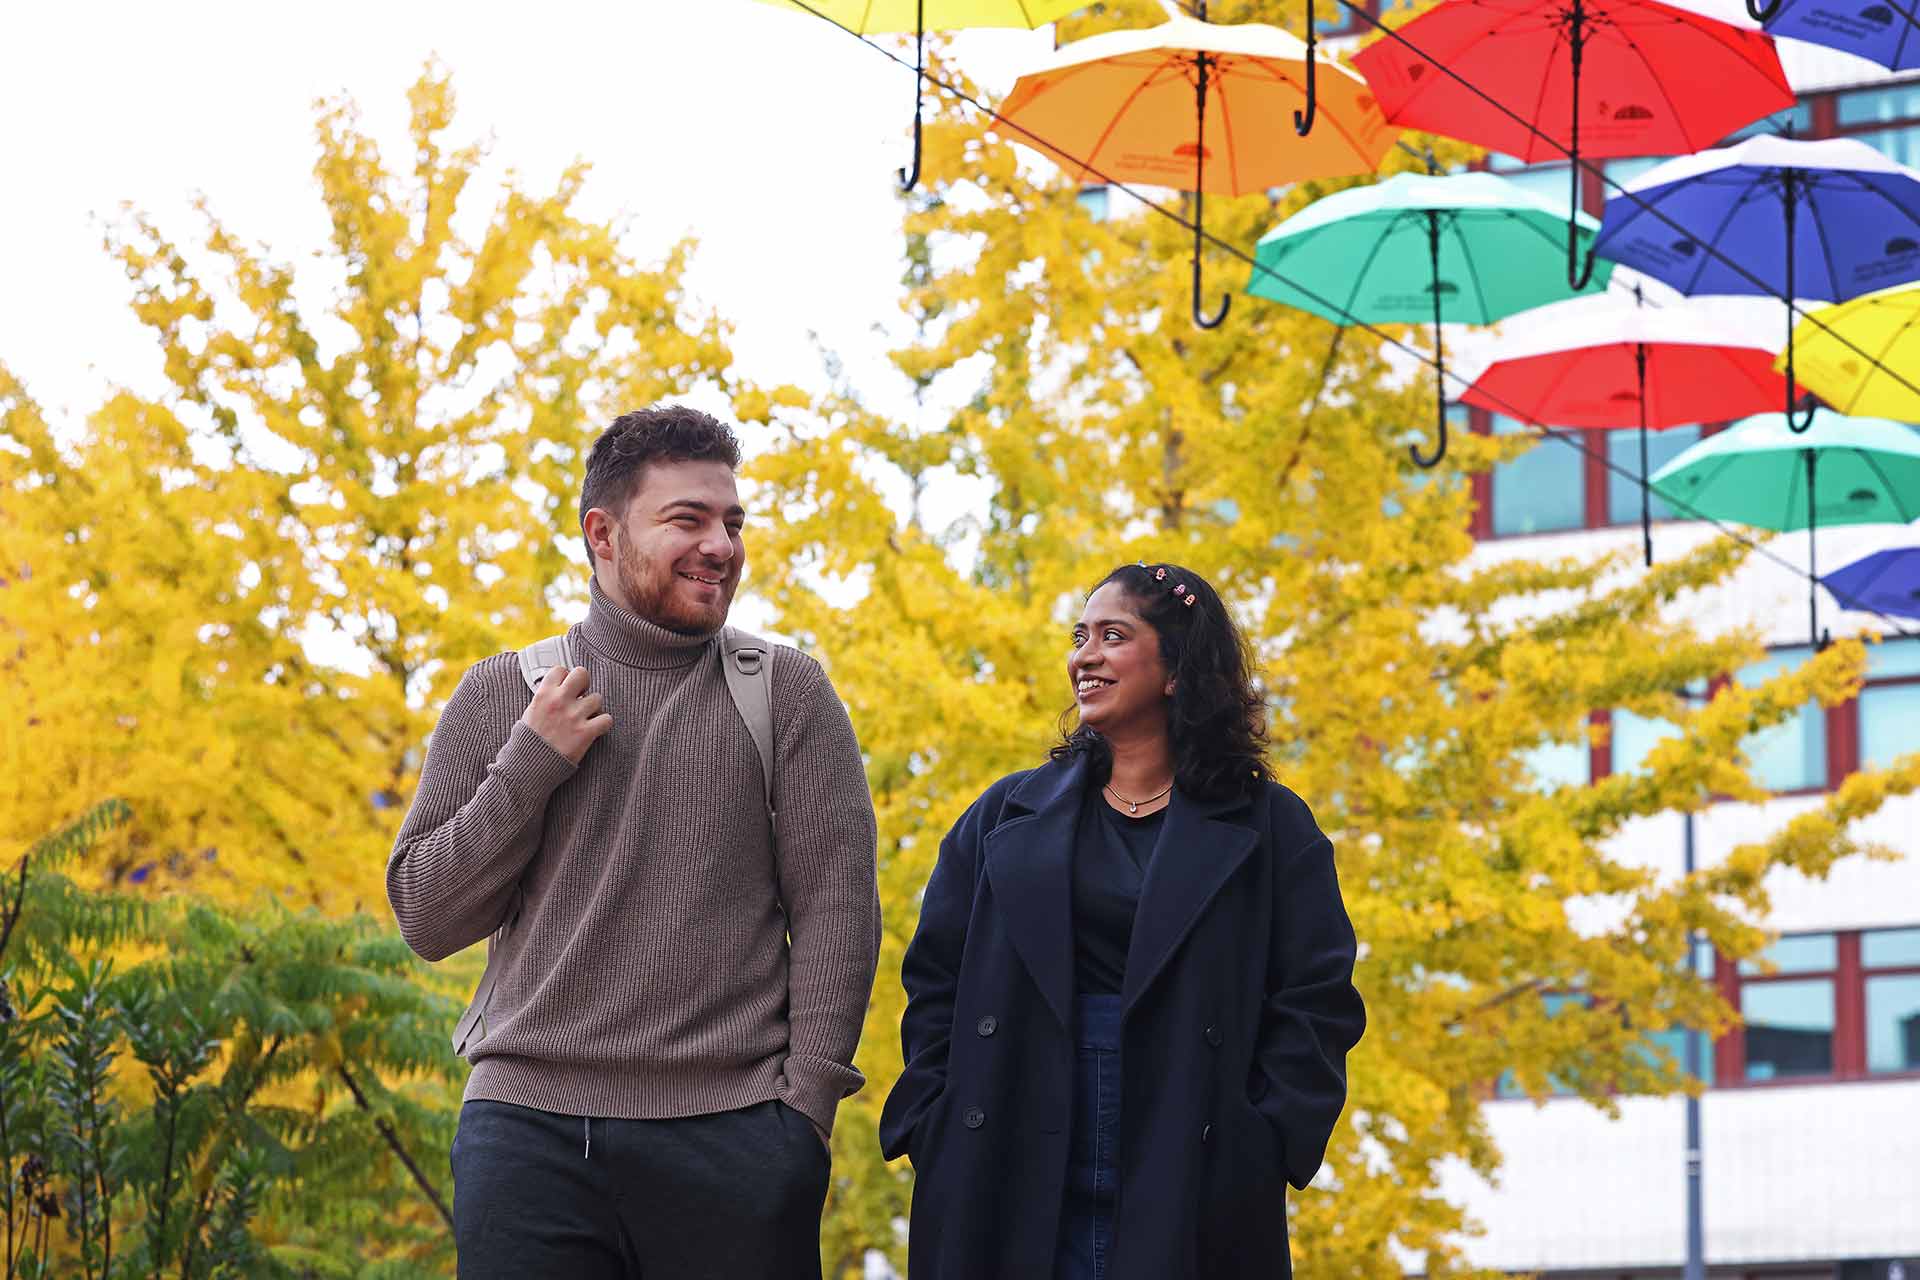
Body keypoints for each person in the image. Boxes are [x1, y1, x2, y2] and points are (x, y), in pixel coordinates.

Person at [387, 405, 881, 1280]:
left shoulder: (788, 694)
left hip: (735, 1139)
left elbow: (838, 910)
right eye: (687, 520)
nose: (721, 546)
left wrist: (803, 1115)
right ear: (603, 534)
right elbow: (427, 917)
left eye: (732, 522)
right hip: (526, 1138)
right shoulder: (503, 693)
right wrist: (529, 765)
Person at [878, 561, 1364, 1280]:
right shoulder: (1002, 816)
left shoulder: (1270, 826)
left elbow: (1316, 997)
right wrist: (936, 1119)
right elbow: (935, 978)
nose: (1085, 655)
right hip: (1007, 1142)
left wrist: (1263, 1138)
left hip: (1190, 1153)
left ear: (1176, 670)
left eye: (1113, 635)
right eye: (1080, 636)